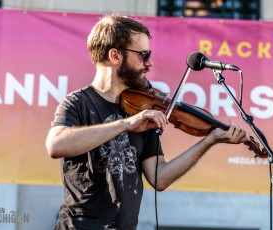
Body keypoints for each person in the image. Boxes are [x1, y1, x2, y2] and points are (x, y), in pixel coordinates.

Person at [45, 14, 249, 230]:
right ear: (115, 56)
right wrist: (126, 124)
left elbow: (159, 177)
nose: (149, 63)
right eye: (143, 55)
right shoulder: (78, 103)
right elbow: (56, 145)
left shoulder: (144, 109)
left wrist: (209, 141)